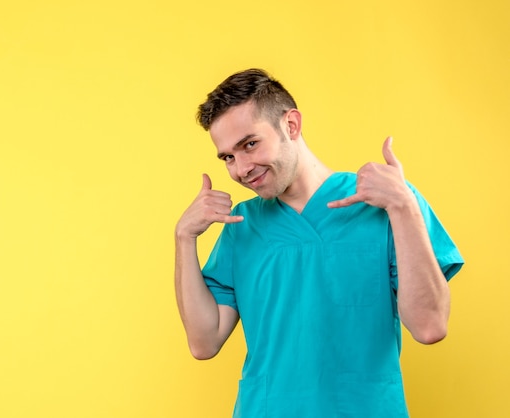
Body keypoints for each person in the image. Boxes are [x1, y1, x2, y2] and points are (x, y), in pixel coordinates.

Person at [174, 68, 464, 417]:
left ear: (291, 125)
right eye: (228, 157)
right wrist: (184, 238)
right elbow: (204, 343)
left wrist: (403, 207)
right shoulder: (242, 225)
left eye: (250, 144)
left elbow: (430, 327)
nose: (241, 169)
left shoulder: (385, 204)